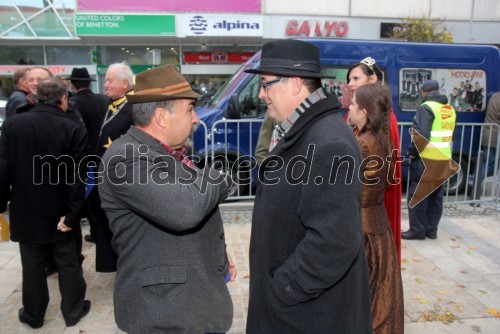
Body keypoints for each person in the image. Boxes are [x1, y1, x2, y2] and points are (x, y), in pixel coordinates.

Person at [245, 39, 372, 333]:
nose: (262, 94)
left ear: (294, 84)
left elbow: (334, 242)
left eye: (266, 84)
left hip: (307, 315)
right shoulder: (303, 130)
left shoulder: (328, 141)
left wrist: (284, 290)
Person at [98, 64, 235, 333]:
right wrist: (218, 177)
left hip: (191, 302)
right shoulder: (125, 158)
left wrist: (216, 252)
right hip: (164, 312)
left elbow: (191, 202)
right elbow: (185, 209)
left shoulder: (165, 152)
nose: (196, 119)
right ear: (161, 117)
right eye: (189, 109)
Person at [0, 77, 90, 329]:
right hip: (60, 210)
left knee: (32, 266)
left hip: (25, 209)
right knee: (68, 263)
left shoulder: (13, 125)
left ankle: (33, 314)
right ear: (63, 99)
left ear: (37, 97)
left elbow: (2, 169)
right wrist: (73, 216)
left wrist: (0, 204)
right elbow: (77, 178)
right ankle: (73, 312)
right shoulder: (73, 129)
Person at [348, 83, 404, 333]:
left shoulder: (364, 143)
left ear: (364, 112)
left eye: (353, 104)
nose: (348, 107)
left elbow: (351, 191)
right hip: (378, 225)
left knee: (366, 298)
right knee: (381, 295)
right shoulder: (381, 137)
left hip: (364, 229)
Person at [345, 57, 403, 263]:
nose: (350, 84)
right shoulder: (353, 113)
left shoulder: (387, 119)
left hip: (373, 203)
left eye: (355, 78)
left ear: (373, 79)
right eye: (349, 79)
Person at [88, 62, 134, 273]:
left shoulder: (133, 108)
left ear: (125, 84)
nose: (105, 84)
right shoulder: (113, 105)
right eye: (105, 79)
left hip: (122, 180)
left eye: (109, 80)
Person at [402, 79, 457, 240]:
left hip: (426, 159)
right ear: (438, 90)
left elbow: (422, 136)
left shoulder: (425, 108)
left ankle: (417, 230)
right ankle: (431, 230)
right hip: (443, 159)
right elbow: (451, 135)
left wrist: (411, 152)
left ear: (423, 93)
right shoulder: (449, 109)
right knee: (435, 197)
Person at [67, 67, 110, 243]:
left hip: (85, 156)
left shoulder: (72, 103)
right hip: (106, 152)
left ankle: (96, 231)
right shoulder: (105, 100)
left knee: (90, 198)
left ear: (72, 83)